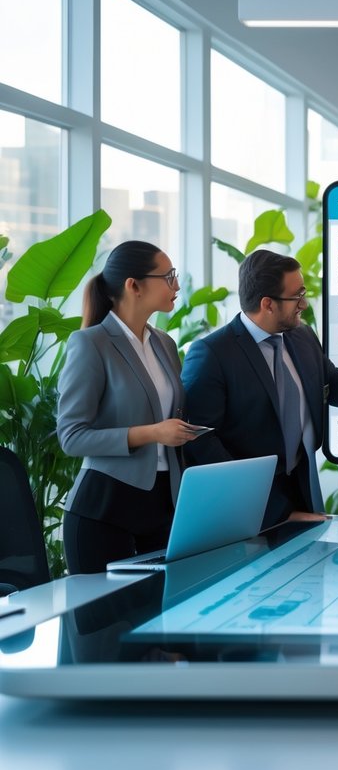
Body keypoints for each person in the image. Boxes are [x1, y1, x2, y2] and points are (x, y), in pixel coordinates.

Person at [182, 249, 338, 529]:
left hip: (301, 486)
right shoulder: (212, 354)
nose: (304, 304)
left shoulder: (301, 335)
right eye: (297, 296)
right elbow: (202, 442)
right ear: (268, 304)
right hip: (246, 502)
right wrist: (272, 510)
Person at [57, 241, 201, 574]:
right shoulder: (90, 343)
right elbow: (72, 436)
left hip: (164, 506)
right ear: (133, 286)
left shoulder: (165, 343)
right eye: (168, 276)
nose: (176, 285)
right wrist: (153, 433)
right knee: (106, 624)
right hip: (105, 510)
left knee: (160, 619)